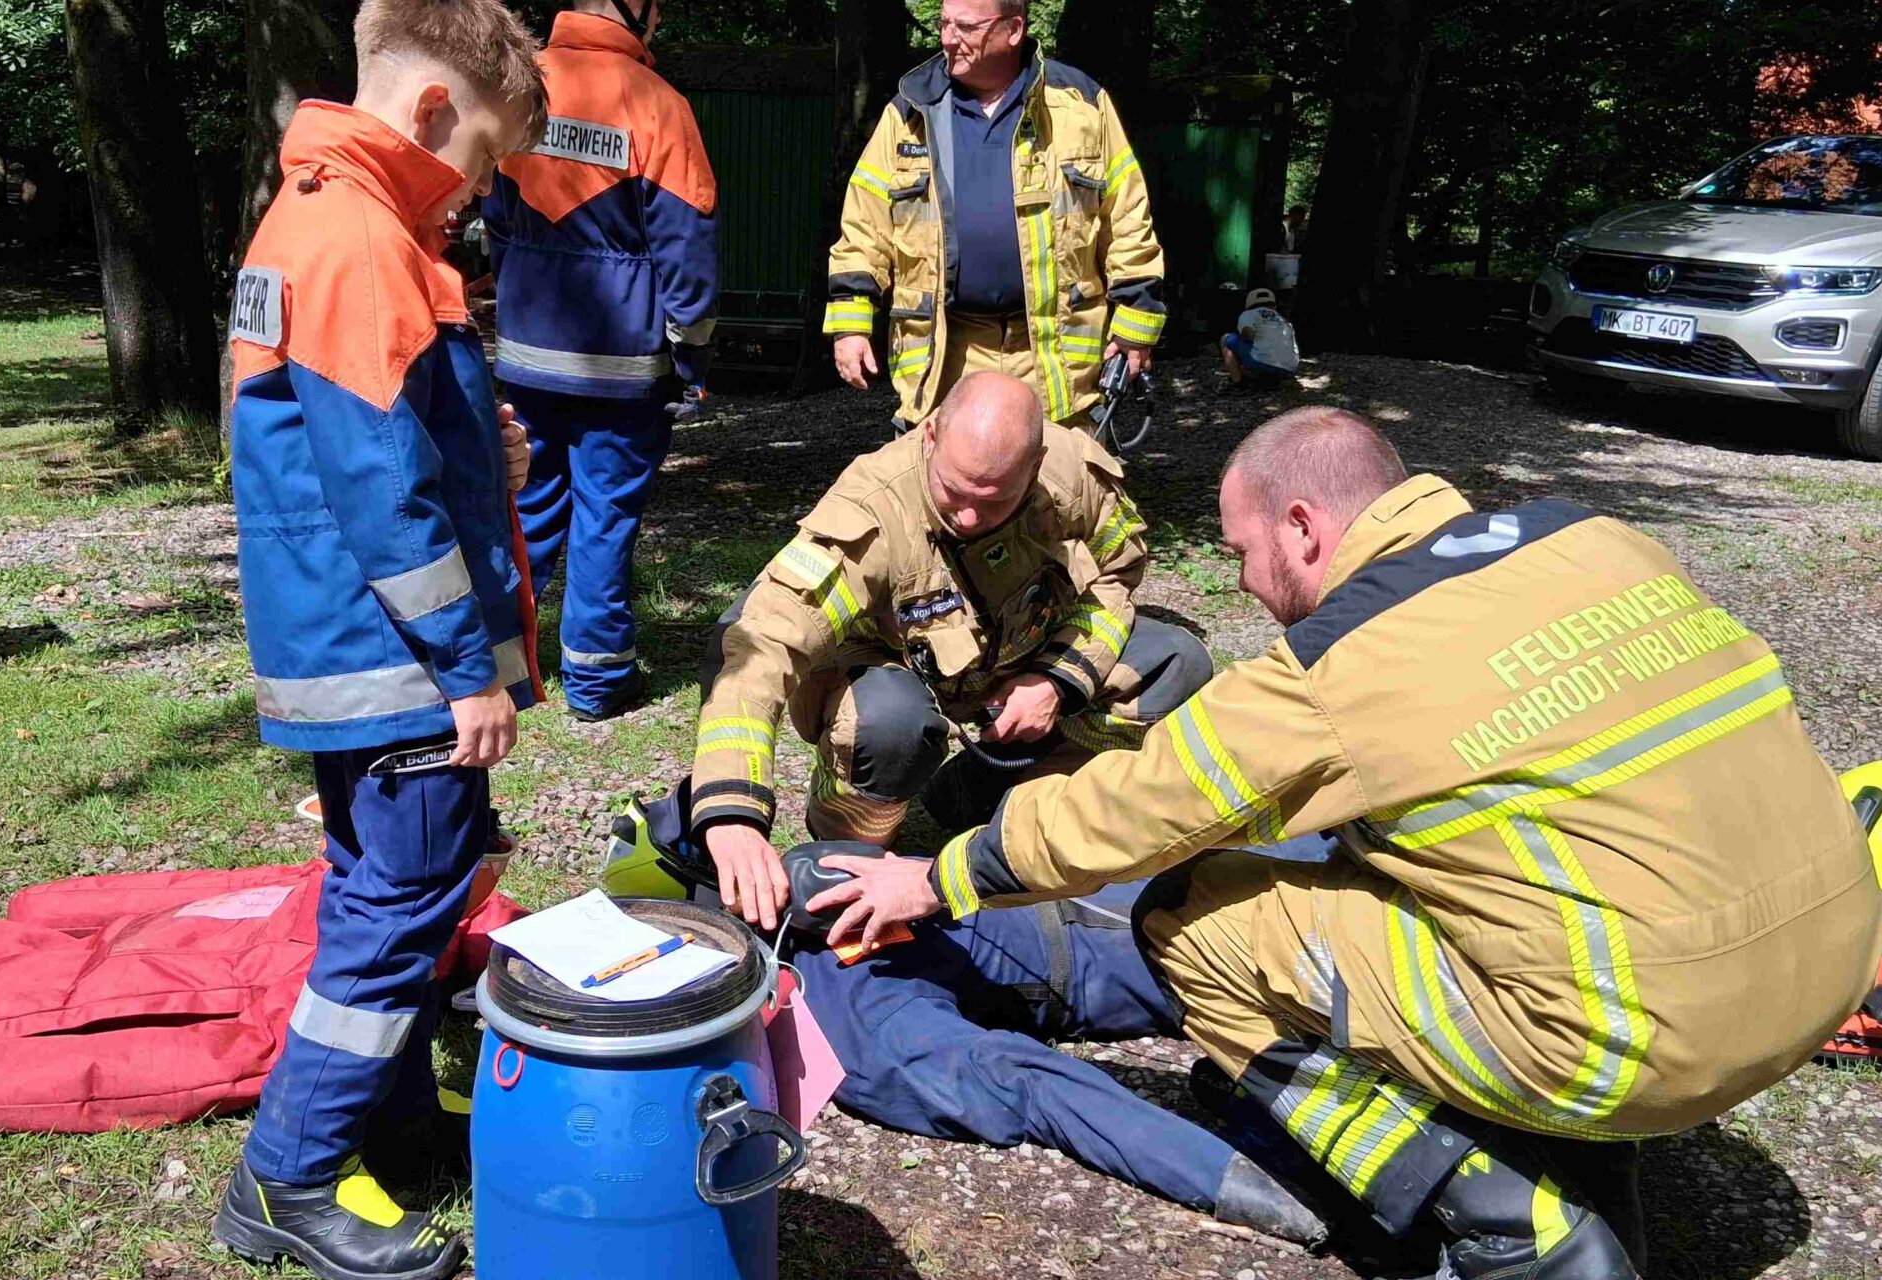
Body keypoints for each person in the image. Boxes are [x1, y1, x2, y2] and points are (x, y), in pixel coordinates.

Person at [808, 407, 1882, 1279]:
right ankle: (1563, 1127)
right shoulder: (1589, 537)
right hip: (1835, 959)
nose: (1237, 582)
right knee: (1381, 861)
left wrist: (941, 874)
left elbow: (1136, 809)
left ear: (1302, 527)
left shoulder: (1345, 660)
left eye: (1239, 551)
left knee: (1191, 916)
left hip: (1638, 1033)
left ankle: (1505, 1221)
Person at [211, 2, 546, 1276]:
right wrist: (468, 668)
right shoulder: (356, 237)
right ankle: (287, 1175)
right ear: (423, 113)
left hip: (348, 638)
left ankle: (389, 1120)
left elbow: (377, 435)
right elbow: (376, 493)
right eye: (481, 155)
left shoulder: (330, 213)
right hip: (391, 656)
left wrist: (483, 448)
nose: (481, 187)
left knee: (385, 878)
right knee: (403, 894)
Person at [600, 793, 1328, 1243]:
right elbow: (1036, 1088)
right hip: (1170, 953)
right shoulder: (859, 1028)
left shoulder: (823, 890)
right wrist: (1235, 1180)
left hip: (1129, 877)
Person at [689, 370, 1210, 929]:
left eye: (992, 502)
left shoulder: (1071, 473)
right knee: (889, 723)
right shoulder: (874, 511)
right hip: (900, 673)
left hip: (1021, 661)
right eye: (953, 493)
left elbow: (1117, 572)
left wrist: (1058, 680)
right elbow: (761, 642)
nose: (966, 518)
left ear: (1033, 467)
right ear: (931, 435)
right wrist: (731, 811)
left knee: (1176, 663)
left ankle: (997, 801)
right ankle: (849, 853)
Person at [481, 0, 717, 721]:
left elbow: (491, 208)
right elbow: (688, 245)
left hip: (526, 347)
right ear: (637, 11)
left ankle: (494, 669)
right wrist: (692, 353)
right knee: (605, 513)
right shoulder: (657, 104)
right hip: (623, 362)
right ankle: (596, 679)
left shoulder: (521, 82)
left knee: (526, 504)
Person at [822, 0, 1165, 430]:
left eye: (965, 27)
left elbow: (1129, 218)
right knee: (948, 491)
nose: (948, 38)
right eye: (943, 23)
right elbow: (863, 227)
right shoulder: (911, 110)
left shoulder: (1082, 106)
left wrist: (1136, 324)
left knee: (1062, 491)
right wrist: (850, 325)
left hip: (1052, 356)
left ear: (1014, 29)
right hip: (947, 356)